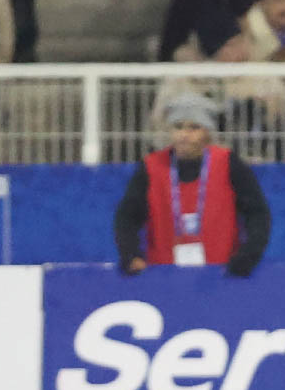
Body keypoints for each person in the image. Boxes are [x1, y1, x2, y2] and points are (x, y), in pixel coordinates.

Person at [114, 94, 270, 278]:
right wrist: (131, 254)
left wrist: (248, 256)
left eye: (194, 127)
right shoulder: (151, 167)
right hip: (163, 274)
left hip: (220, 274)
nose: (184, 135)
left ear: (208, 132)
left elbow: (257, 213)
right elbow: (127, 217)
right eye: (178, 127)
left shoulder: (228, 163)